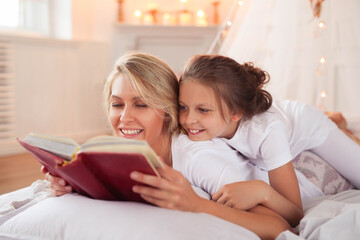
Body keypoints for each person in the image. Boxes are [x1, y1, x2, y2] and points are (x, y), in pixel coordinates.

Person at [43, 52, 292, 239]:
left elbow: (278, 225)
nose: (124, 117)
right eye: (117, 104)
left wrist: (197, 205)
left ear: (166, 111)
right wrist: (71, 184)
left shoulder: (198, 157)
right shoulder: (120, 150)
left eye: (141, 105)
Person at [175, 54, 360, 227]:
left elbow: (295, 213)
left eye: (203, 110)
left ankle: (337, 123)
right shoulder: (195, 123)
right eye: (183, 106)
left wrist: (262, 191)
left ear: (235, 113)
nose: (187, 119)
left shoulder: (267, 132)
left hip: (307, 124)